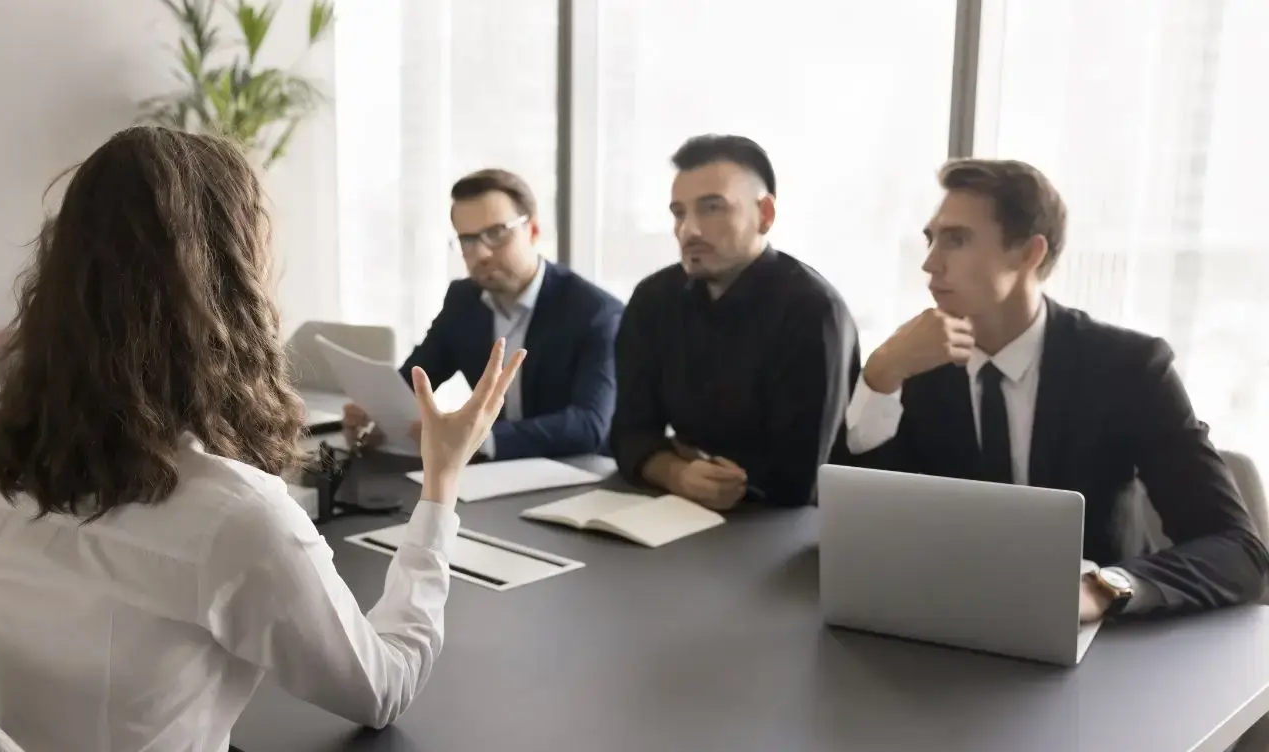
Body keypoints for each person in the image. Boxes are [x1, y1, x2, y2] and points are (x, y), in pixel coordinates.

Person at [0, 127, 524, 752]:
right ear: (230, 280)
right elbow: (381, 690)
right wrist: (441, 485)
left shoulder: (13, 461)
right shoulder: (232, 517)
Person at [844, 157, 1267, 620]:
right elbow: (852, 530)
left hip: (1101, 641)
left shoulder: (1127, 368)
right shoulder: (915, 361)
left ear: (1029, 253)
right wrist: (879, 377)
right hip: (952, 627)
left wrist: (1106, 588)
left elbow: (1237, 550)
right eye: (931, 239)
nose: (929, 264)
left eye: (956, 240)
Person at [610, 134, 860, 510]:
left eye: (712, 208)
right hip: (676, 511)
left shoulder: (812, 311)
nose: (689, 230)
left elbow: (801, 478)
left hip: (781, 530)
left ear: (766, 214)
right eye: (679, 213)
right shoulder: (653, 298)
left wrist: (686, 461)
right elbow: (628, 433)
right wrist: (677, 473)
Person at [343, 168, 622, 460]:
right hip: (492, 478)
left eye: (497, 233)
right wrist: (377, 412)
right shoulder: (463, 300)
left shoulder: (596, 313)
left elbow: (589, 425)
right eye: (468, 240)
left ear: (533, 230)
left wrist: (476, 437)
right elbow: (419, 377)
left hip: (580, 476)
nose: (482, 253)